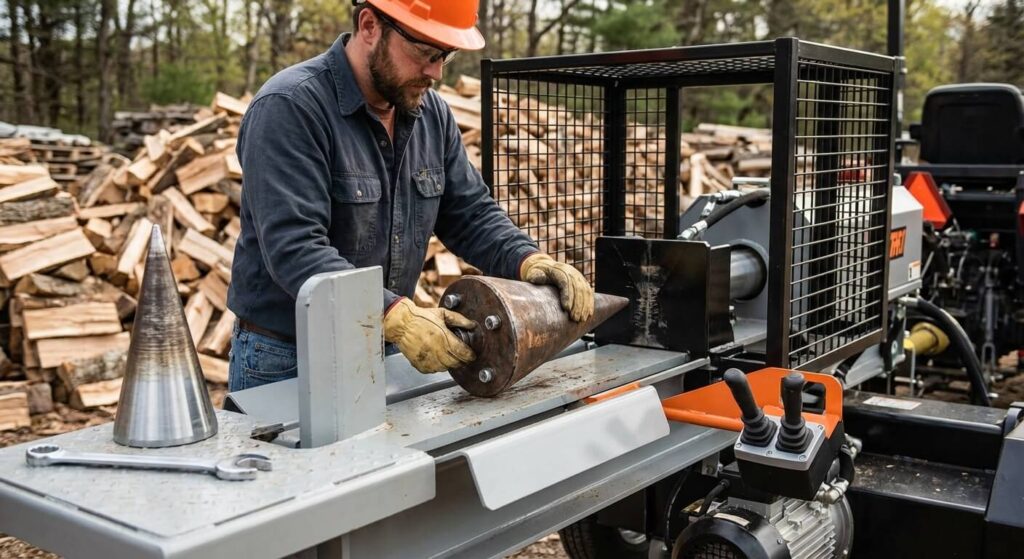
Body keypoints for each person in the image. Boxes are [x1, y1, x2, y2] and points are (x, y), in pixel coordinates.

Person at [226, 0, 595, 392]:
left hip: (381, 345)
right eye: (424, 52)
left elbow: (470, 212)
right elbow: (294, 248)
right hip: (290, 356)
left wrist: (526, 258)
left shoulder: (430, 114)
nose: (435, 71)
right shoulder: (291, 108)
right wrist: (394, 314)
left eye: (445, 56)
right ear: (369, 26)